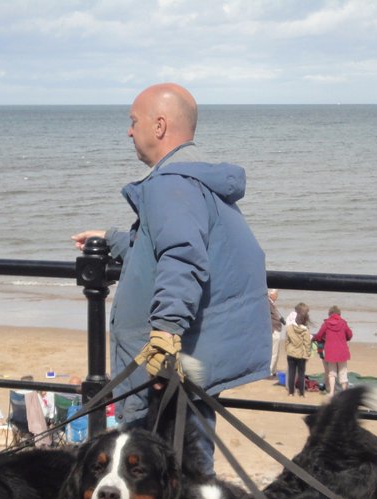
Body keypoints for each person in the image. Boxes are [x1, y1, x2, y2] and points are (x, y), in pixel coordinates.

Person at [70, 82, 269, 476]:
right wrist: (113, 240)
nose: (129, 131)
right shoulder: (193, 181)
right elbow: (164, 247)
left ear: (159, 126)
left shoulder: (170, 184)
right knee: (185, 467)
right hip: (188, 363)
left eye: (133, 121)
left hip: (164, 368)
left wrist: (164, 333)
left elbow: (183, 255)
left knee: (163, 475)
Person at [314, 304, 353, 397]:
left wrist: (315, 338)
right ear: (339, 314)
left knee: (332, 373)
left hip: (330, 352)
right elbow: (350, 335)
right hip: (342, 351)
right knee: (343, 373)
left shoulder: (326, 323)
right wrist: (344, 338)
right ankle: (344, 393)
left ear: (330, 313)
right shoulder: (343, 323)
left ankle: (331, 392)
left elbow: (319, 335)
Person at [284, 303, 314, 397]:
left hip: (291, 353)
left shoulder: (289, 328)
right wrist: (307, 354)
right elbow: (307, 344)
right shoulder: (305, 331)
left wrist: (288, 350)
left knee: (291, 373)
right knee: (301, 374)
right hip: (301, 355)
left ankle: (291, 392)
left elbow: (287, 341)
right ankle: (301, 393)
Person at [268, 289, 286, 384]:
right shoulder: (268, 303)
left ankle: (273, 371)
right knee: (273, 352)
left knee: (276, 352)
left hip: (275, 329)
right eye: (276, 294)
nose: (277, 296)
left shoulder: (271, 303)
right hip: (273, 330)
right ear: (271, 295)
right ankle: (270, 372)